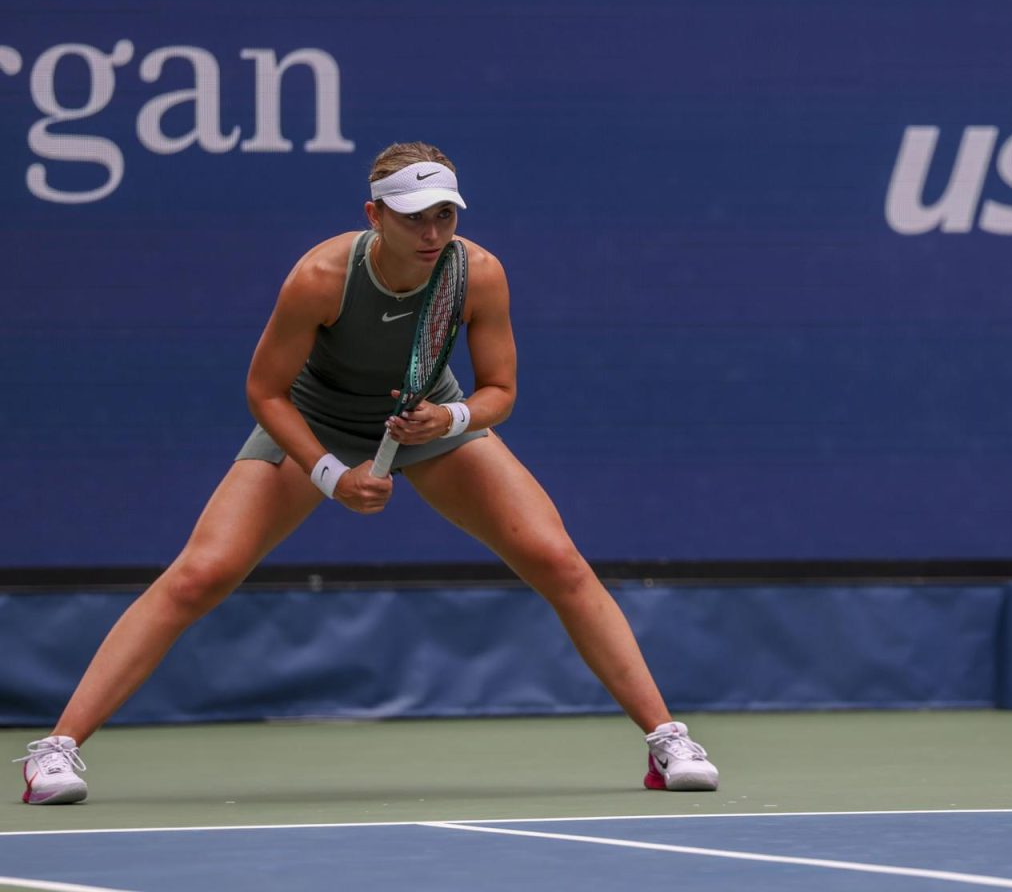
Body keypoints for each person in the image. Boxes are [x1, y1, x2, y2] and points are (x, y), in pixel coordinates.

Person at [16, 142, 719, 805]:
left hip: (430, 419)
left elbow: (499, 391)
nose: (432, 232)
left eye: (444, 214)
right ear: (373, 215)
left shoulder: (479, 272)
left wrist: (448, 422)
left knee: (557, 558)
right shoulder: (320, 277)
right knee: (201, 573)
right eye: (413, 217)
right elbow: (264, 391)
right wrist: (328, 475)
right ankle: (53, 751)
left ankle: (666, 742)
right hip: (311, 423)